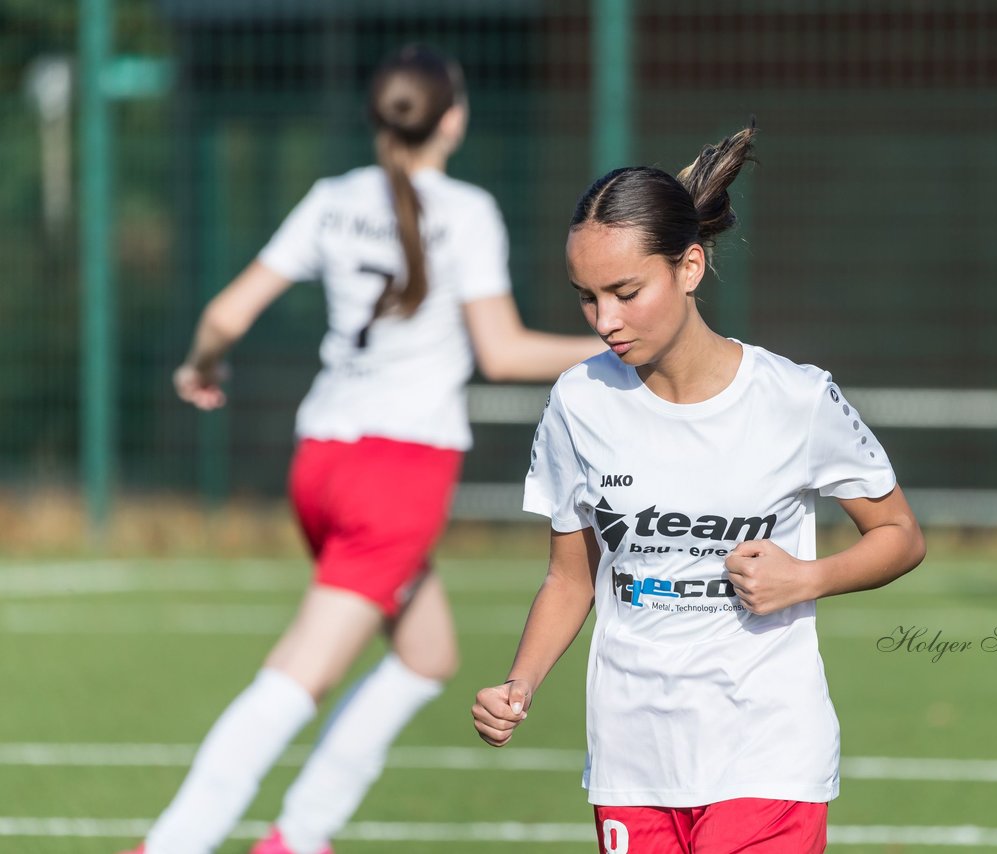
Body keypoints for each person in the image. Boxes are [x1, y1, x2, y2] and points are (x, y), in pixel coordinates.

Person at [123, 45, 601, 854]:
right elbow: (504, 352)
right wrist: (617, 346)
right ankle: (174, 843)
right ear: (451, 117)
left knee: (426, 653)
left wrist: (200, 367)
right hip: (398, 476)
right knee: (299, 675)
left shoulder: (330, 198)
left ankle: (300, 836)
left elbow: (224, 315)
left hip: (320, 463)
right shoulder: (468, 210)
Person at [471, 122, 927, 853]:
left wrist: (805, 578)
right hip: (631, 758)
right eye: (587, 298)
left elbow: (901, 536)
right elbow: (569, 578)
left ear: (688, 267)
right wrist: (517, 686)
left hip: (768, 751)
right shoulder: (577, 403)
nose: (605, 321)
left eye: (625, 291)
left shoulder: (796, 399)